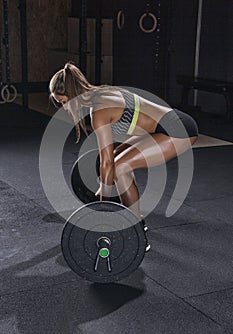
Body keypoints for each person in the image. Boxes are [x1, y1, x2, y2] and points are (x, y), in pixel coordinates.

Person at [49, 62, 198, 251]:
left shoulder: (98, 112)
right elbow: (111, 154)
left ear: (73, 96)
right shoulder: (101, 92)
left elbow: (107, 161)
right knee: (118, 158)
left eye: (63, 102)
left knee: (120, 167)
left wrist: (102, 201)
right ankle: (129, 212)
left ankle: (136, 233)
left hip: (177, 129)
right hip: (166, 124)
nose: (64, 107)